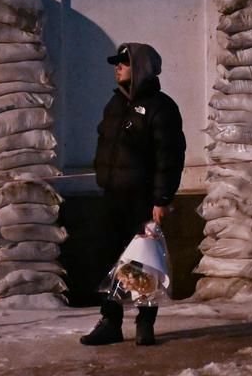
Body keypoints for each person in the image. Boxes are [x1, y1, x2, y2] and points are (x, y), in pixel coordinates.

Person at [81, 42, 186, 347]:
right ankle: (110, 321)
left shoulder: (161, 107)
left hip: (143, 200)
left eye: (123, 63)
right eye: (117, 63)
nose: (117, 68)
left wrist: (162, 199)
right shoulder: (115, 104)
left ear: (140, 68)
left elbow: (169, 157)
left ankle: (145, 322)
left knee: (142, 261)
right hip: (112, 195)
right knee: (109, 259)